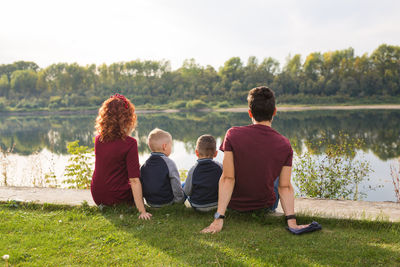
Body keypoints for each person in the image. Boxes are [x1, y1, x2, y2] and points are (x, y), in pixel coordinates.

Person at [201, 86, 314, 234]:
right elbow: (284, 187)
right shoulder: (284, 143)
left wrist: (219, 217)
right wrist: (291, 221)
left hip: (234, 204)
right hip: (265, 205)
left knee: (230, 169)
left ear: (250, 113)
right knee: (277, 174)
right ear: (274, 112)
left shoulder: (232, 134)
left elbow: (228, 178)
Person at [91, 93, 152, 220]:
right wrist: (142, 211)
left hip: (98, 195)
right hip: (116, 197)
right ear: (128, 118)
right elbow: (134, 180)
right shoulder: (129, 143)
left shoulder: (98, 139)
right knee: (144, 177)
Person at [140, 128, 185, 207]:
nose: (171, 148)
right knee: (183, 185)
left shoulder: (144, 165)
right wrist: (179, 201)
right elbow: (176, 184)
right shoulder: (169, 163)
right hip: (166, 201)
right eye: (171, 146)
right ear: (164, 146)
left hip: (150, 202)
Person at [183, 135, 222, 211]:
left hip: (198, 206)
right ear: (216, 153)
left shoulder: (193, 169)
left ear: (196, 153)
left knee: (184, 185)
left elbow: (187, 192)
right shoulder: (220, 167)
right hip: (217, 204)